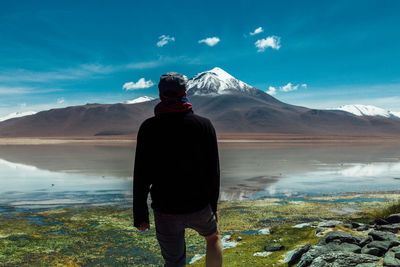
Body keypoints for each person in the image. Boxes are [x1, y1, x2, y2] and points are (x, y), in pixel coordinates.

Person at [133, 72, 222, 267]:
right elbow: (213, 172)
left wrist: (140, 214)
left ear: (160, 94)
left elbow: (141, 174)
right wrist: (213, 206)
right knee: (213, 237)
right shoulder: (204, 125)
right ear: (185, 92)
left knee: (174, 261)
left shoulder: (149, 127)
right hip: (199, 205)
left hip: (165, 209)